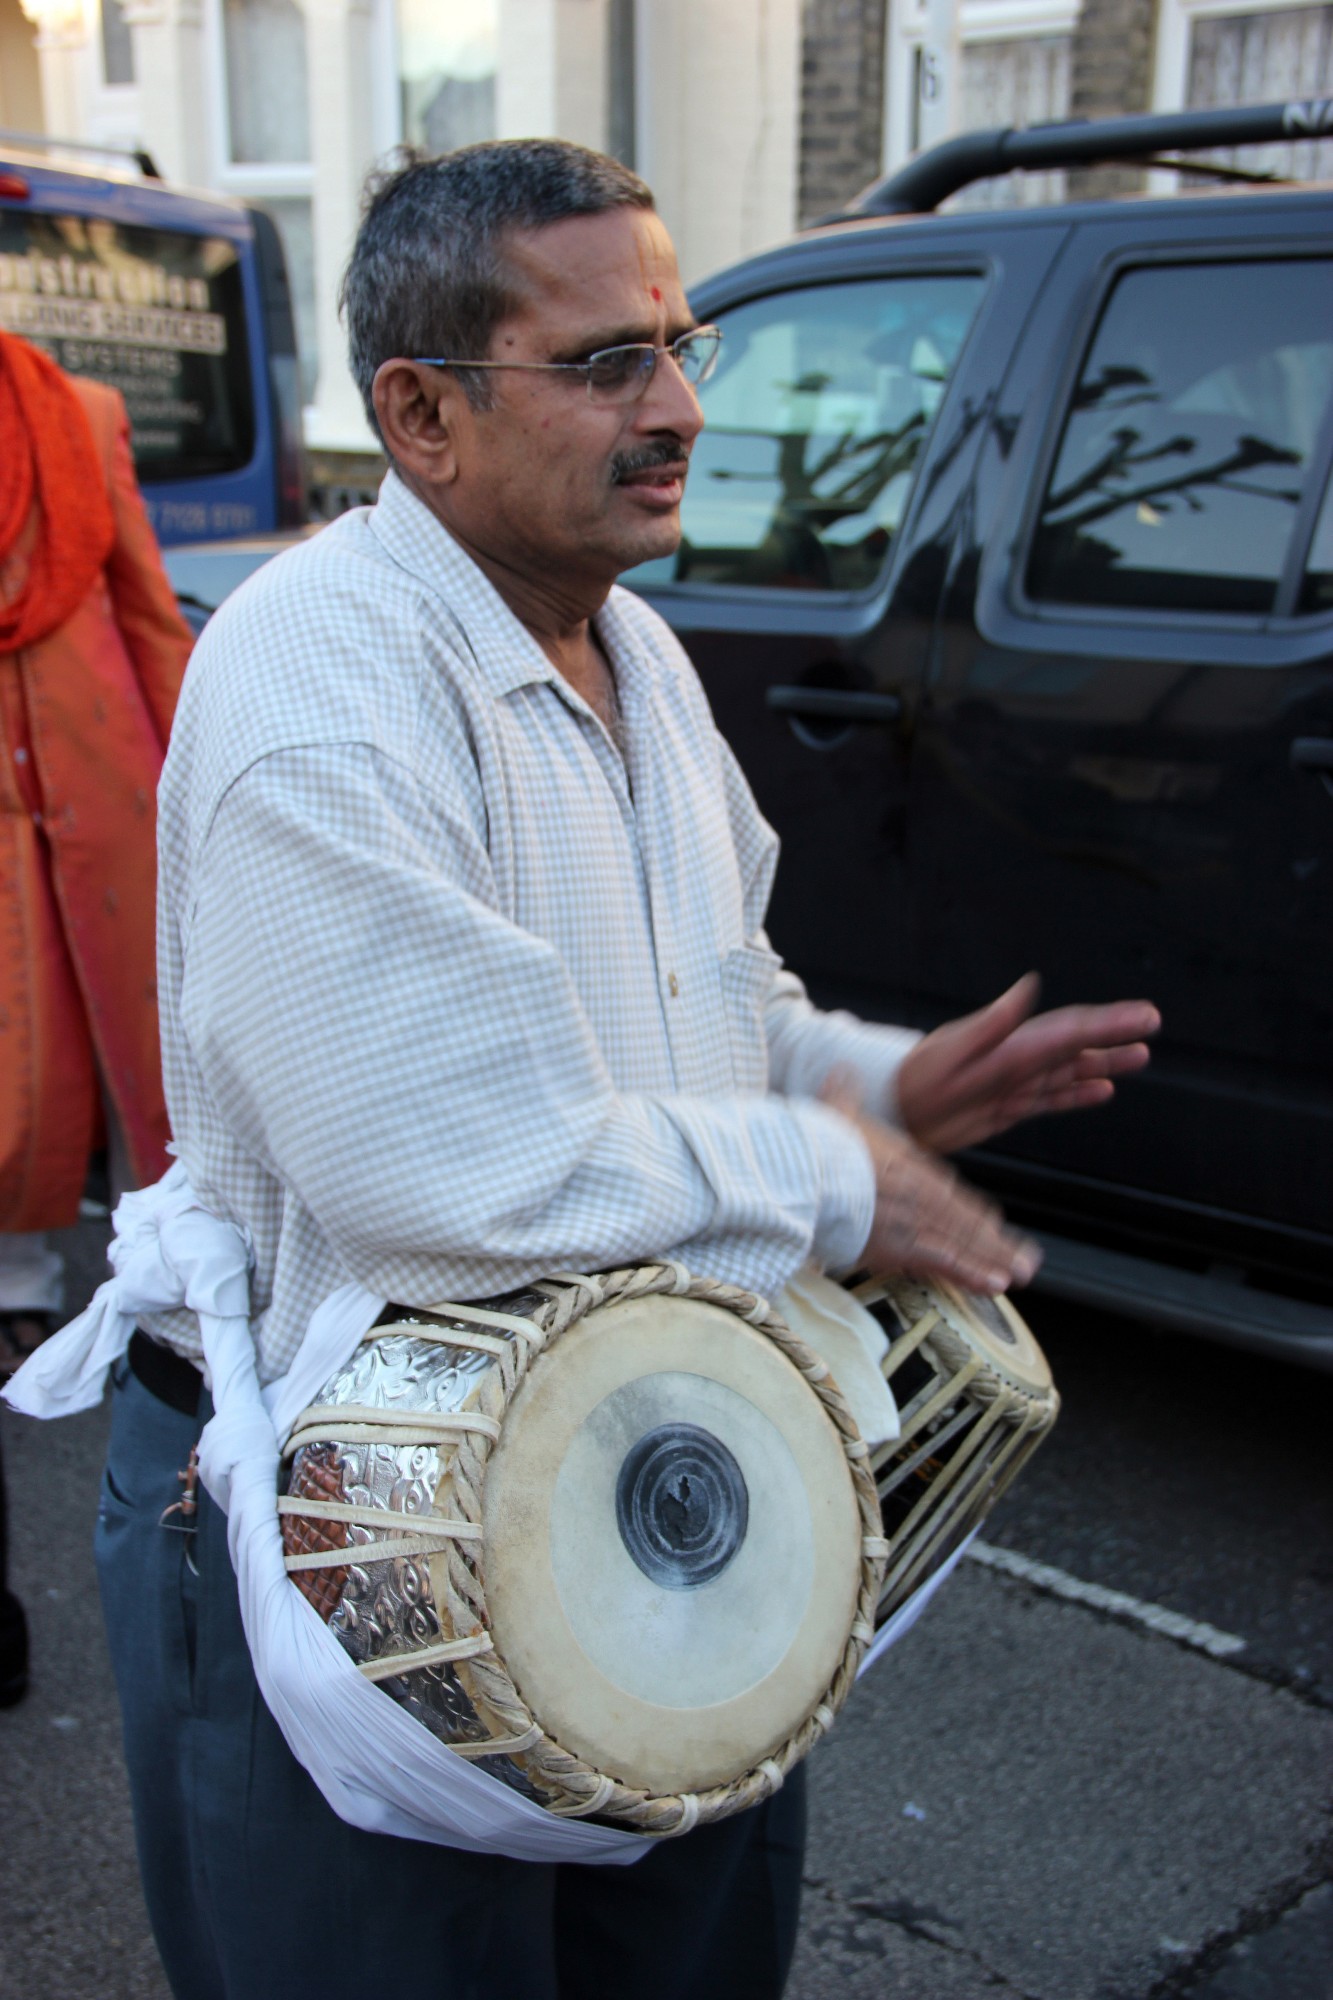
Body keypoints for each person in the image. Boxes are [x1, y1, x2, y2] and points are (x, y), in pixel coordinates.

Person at [96, 141, 1158, 1999]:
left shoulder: (635, 651)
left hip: (634, 1487)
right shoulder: (315, 687)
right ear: (420, 413)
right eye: (604, 364)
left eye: (677, 346)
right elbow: (449, 1170)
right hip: (350, 1532)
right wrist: (830, 1180)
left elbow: (710, 1001)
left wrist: (879, 1086)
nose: (675, 406)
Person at [0, 330, 192, 1703]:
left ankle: (161, 1294)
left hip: (104, 785)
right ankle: (23, 1288)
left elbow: (144, 611)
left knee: (147, 1063)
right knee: (22, 1068)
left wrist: (200, 783)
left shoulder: (80, 412)